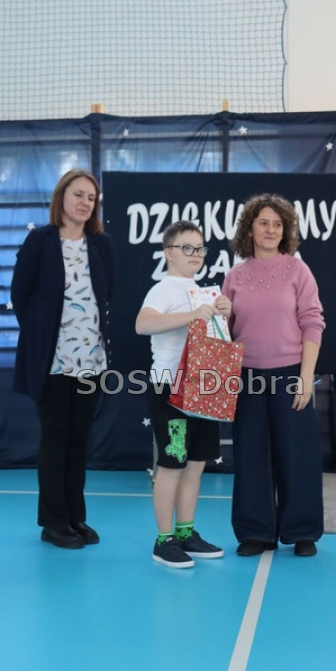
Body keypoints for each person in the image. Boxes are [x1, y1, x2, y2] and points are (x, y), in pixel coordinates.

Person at [11, 169, 115, 549]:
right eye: (78, 194)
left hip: (91, 361)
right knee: (55, 439)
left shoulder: (101, 244)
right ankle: (53, 522)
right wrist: (42, 336)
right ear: (62, 197)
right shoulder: (40, 241)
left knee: (78, 440)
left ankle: (75, 517)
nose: (85, 202)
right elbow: (21, 295)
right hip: (53, 361)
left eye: (91, 197)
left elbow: (109, 293)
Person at [222, 193, 325, 557]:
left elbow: (312, 323)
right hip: (247, 377)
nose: (270, 229)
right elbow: (225, 331)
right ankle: (255, 532)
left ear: (285, 231)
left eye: (277, 224)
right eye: (263, 222)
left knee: (298, 455)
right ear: (249, 229)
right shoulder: (234, 276)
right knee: (251, 456)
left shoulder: (298, 271)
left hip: (290, 374)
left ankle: (302, 531)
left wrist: (305, 377)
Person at [135, 220, 231, 568]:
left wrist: (223, 313)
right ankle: (163, 540)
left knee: (195, 464)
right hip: (169, 387)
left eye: (200, 248)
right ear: (169, 253)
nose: (195, 254)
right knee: (172, 463)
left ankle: (185, 532)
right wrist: (193, 315)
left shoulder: (203, 292)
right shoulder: (163, 289)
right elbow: (142, 324)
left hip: (202, 386)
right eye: (186, 247)